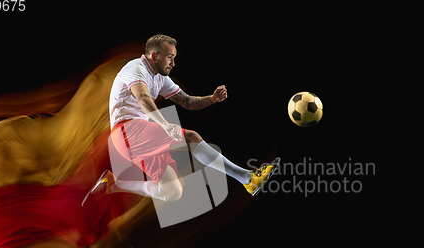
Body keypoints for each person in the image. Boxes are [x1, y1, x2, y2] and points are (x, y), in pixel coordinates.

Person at [84, 34, 280, 206]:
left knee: (173, 192)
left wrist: (212, 99)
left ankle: (113, 184)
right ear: (154, 56)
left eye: (174, 58)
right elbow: (143, 98)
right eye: (170, 57)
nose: (173, 63)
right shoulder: (136, 68)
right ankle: (247, 178)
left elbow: (186, 102)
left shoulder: (160, 77)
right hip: (127, 132)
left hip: (136, 138)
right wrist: (165, 124)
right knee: (191, 137)